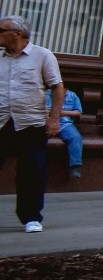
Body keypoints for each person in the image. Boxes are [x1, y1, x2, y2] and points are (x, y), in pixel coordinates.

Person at [1, 15, 63, 233]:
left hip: (31, 122)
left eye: (1, 30)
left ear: (17, 33)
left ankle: (31, 217)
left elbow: (57, 87)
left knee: (31, 170)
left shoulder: (42, 55)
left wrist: (53, 119)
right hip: (2, 122)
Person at [54, 86, 83, 178]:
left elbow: (78, 112)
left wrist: (62, 112)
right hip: (46, 122)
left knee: (75, 137)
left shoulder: (72, 95)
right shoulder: (46, 94)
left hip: (64, 123)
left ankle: (75, 166)